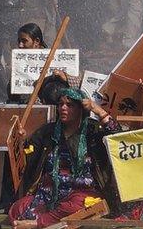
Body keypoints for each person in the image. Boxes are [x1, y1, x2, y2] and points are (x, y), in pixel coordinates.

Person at [7, 88, 121, 229]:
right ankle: (54, 222)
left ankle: (37, 224)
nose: (63, 108)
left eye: (69, 105)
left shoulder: (93, 131)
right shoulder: (48, 132)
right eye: (61, 104)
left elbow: (116, 136)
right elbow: (28, 155)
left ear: (81, 109)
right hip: (49, 193)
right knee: (17, 209)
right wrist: (20, 140)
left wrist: (98, 111)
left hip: (82, 193)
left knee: (78, 207)